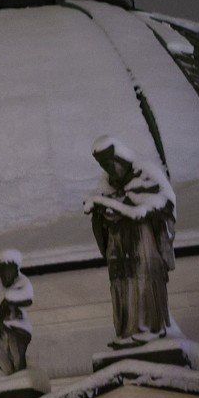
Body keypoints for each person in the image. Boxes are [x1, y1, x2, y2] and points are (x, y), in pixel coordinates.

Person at [84, 136, 176, 346]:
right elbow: (98, 211)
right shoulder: (106, 184)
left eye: (110, 163)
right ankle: (126, 330)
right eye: (103, 165)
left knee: (143, 279)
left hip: (143, 243)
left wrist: (137, 208)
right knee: (121, 283)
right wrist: (101, 212)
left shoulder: (147, 174)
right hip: (118, 244)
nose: (108, 169)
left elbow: (164, 203)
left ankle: (149, 327)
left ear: (120, 159)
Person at [0, 250, 33, 375]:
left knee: (15, 349)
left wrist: (7, 298)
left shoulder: (23, 282)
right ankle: (10, 376)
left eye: (8, 272)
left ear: (15, 270)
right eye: (2, 272)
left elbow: (28, 298)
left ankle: (19, 374)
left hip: (17, 326)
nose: (5, 276)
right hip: (1, 326)